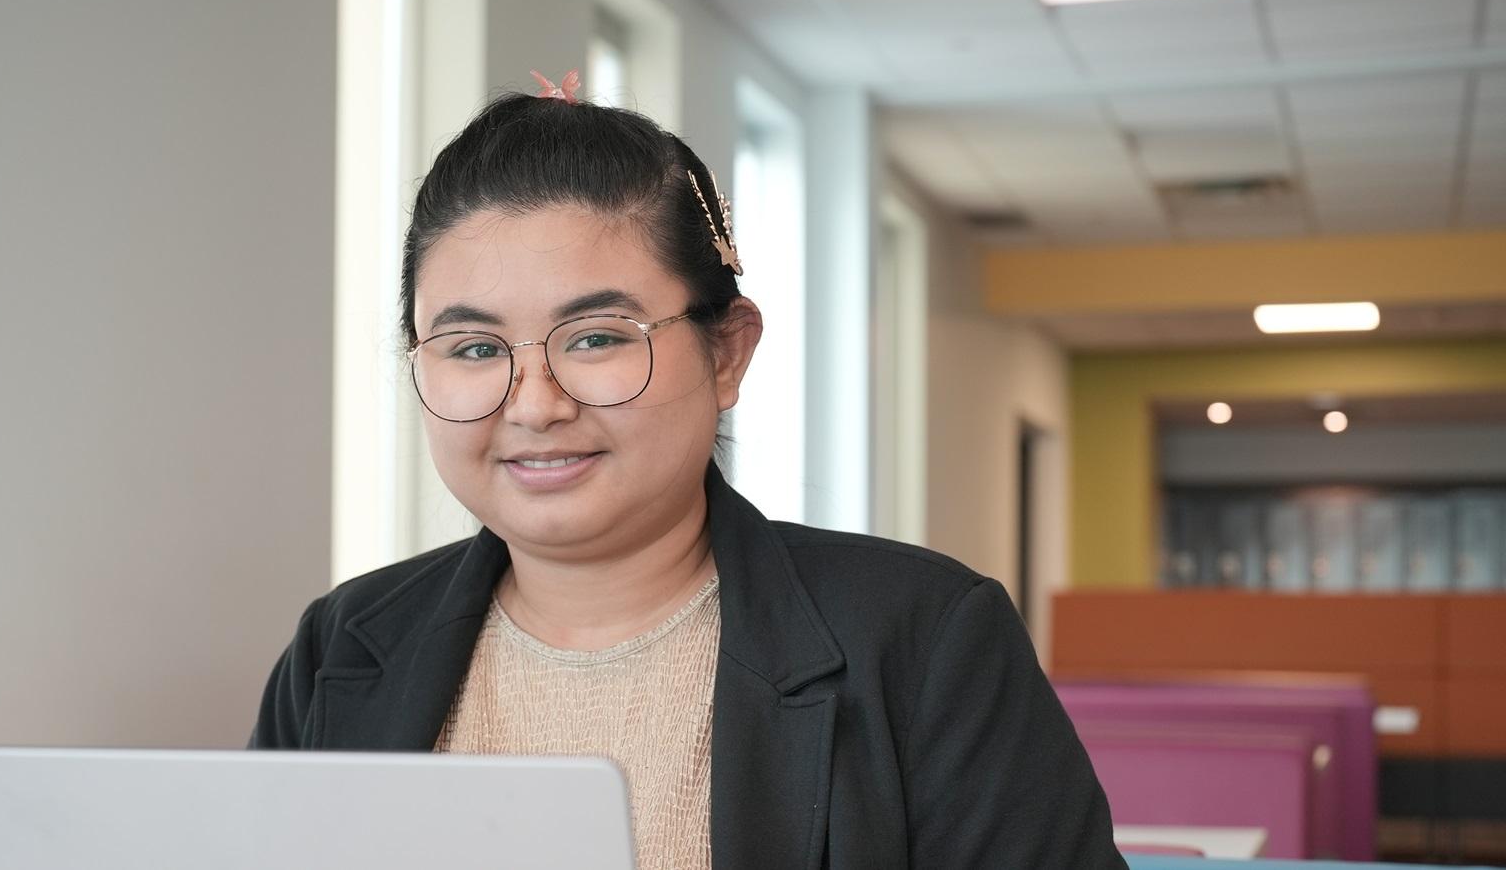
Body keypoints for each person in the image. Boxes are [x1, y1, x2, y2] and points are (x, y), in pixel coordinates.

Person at [250, 70, 1126, 870]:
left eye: (597, 337)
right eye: (473, 347)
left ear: (726, 353)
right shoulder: (344, 645)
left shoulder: (927, 641)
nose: (534, 402)